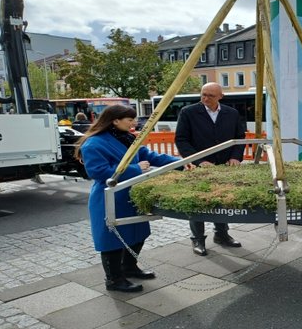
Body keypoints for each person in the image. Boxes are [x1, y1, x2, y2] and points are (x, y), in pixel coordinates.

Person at [76, 105, 191, 292]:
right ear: (115, 121)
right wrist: (136, 169)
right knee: (112, 240)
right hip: (110, 197)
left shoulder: (128, 138)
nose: (134, 123)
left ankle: (129, 267)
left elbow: (150, 155)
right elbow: (97, 172)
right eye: (130, 120)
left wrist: (181, 163)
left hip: (131, 194)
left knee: (137, 234)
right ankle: (113, 280)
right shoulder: (94, 143)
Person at [175, 82, 246, 255]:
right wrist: (199, 161)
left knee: (221, 200)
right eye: (203, 94)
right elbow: (182, 140)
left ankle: (222, 234)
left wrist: (235, 157)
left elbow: (239, 137)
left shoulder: (232, 113)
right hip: (198, 168)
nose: (205, 98)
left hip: (224, 166)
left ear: (221, 96)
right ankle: (197, 239)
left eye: (210, 95)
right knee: (197, 202)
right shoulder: (188, 112)